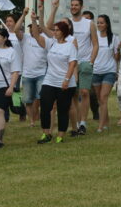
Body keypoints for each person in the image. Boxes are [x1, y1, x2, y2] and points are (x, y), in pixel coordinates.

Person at [49, 0, 98, 135]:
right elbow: (50, 28)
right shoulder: (66, 23)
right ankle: (75, 123)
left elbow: (95, 44)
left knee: (84, 92)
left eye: (76, 5)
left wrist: (91, 61)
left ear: (81, 7)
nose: (74, 7)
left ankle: (83, 123)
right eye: (72, 5)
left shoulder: (89, 23)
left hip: (84, 62)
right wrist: (54, 7)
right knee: (73, 95)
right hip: (69, 63)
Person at [31, 11, 77, 144]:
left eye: (57, 30)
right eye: (54, 30)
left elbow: (72, 63)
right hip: (49, 80)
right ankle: (46, 133)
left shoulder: (70, 46)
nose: (54, 32)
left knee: (63, 109)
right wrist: (34, 20)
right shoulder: (51, 43)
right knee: (45, 107)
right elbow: (36, 35)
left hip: (65, 83)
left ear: (63, 32)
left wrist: (67, 80)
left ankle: (61, 135)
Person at [14, 6, 47, 127]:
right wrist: (23, 15)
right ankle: (32, 121)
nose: (34, 29)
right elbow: (16, 29)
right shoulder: (25, 38)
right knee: (28, 100)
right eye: (32, 27)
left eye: (36, 27)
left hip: (42, 74)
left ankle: (41, 118)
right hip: (27, 74)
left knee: (42, 99)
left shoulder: (45, 39)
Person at [91, 15, 120, 133]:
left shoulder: (114, 38)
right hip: (96, 71)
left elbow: (117, 57)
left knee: (103, 97)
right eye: (97, 23)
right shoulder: (94, 37)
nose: (99, 25)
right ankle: (106, 121)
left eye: (101, 23)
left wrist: (119, 50)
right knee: (100, 100)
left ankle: (100, 126)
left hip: (109, 71)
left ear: (107, 24)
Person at [82, 10, 99, 120]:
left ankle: (95, 111)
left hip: (93, 64)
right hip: (81, 65)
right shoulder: (79, 32)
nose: (86, 21)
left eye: (88, 19)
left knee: (91, 91)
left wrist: (91, 62)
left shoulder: (95, 32)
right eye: (84, 18)